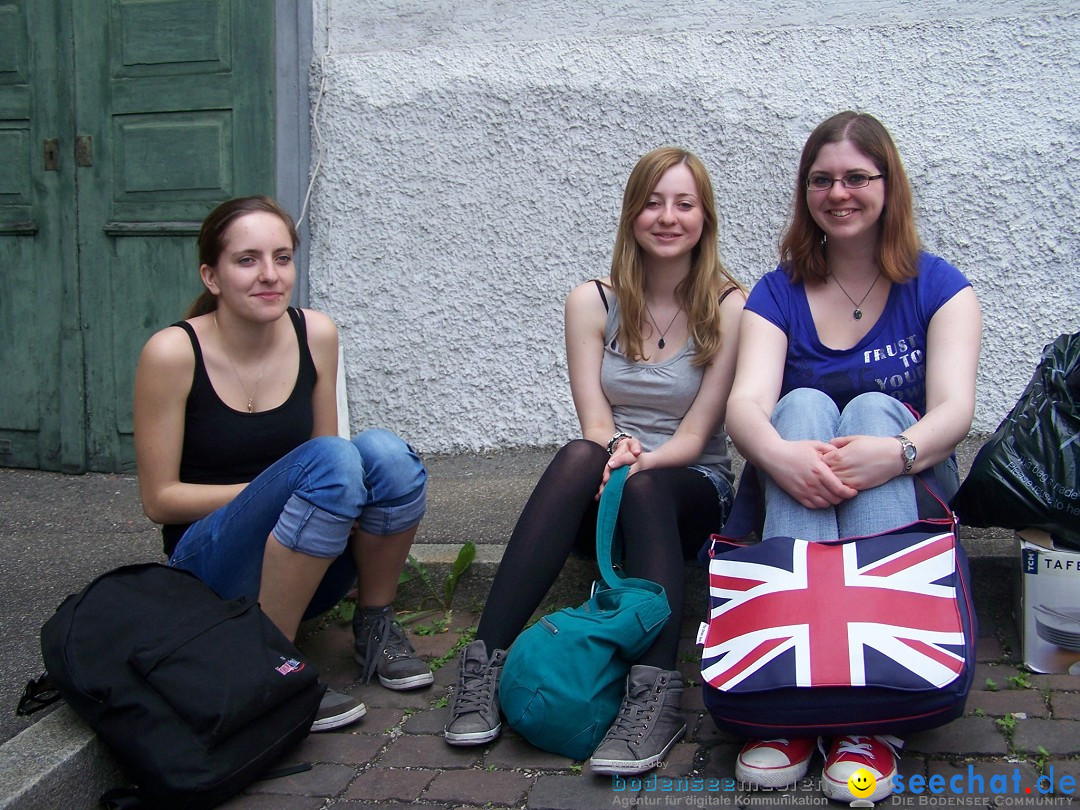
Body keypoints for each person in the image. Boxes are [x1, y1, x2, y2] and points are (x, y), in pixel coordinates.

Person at [443, 147, 745, 775]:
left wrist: (641, 462)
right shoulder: (592, 301)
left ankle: (655, 696)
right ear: (631, 214)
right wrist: (617, 452)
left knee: (643, 486)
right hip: (610, 474)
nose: (668, 217)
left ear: (704, 217)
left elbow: (698, 434)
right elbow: (595, 420)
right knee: (580, 453)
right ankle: (483, 665)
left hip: (689, 488)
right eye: (653, 202)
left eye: (684, 204)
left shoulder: (729, 306)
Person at [723, 112, 982, 802]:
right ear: (806, 194)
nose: (839, 193)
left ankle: (872, 710)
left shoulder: (939, 285)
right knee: (798, 409)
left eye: (856, 178)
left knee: (872, 409)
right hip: (799, 483)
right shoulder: (776, 292)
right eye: (822, 180)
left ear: (888, 186)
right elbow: (745, 406)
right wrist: (779, 456)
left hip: (906, 476)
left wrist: (893, 453)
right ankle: (792, 695)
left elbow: (955, 410)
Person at [133, 196, 433, 733]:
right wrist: (271, 492)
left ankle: (374, 621)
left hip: (307, 561)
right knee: (333, 460)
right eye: (247, 260)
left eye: (282, 257)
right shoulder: (173, 352)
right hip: (212, 569)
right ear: (213, 275)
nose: (270, 275)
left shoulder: (316, 333)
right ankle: (270, 663)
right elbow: (160, 500)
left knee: (385, 454)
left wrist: (303, 493)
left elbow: (331, 465)